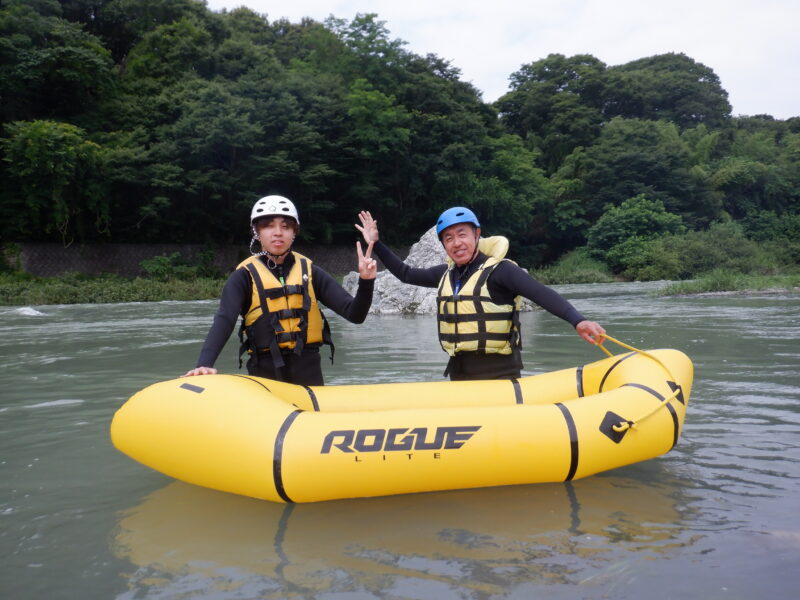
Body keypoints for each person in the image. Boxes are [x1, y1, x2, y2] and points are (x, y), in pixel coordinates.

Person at [355, 207, 605, 381]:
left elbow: (541, 293)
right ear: (444, 245)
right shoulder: (446, 274)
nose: (456, 243)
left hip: (499, 373)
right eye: (449, 238)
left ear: (476, 234)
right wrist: (376, 243)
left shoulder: (502, 271)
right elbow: (406, 274)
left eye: (462, 234)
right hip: (459, 372)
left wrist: (578, 320)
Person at [183, 195, 377, 386]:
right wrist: (204, 364)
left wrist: (366, 281)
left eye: (285, 226)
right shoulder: (243, 276)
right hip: (265, 380)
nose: (278, 232)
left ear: (294, 232)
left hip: (309, 378)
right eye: (268, 225)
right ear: (257, 232)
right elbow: (225, 319)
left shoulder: (311, 272)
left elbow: (355, 314)